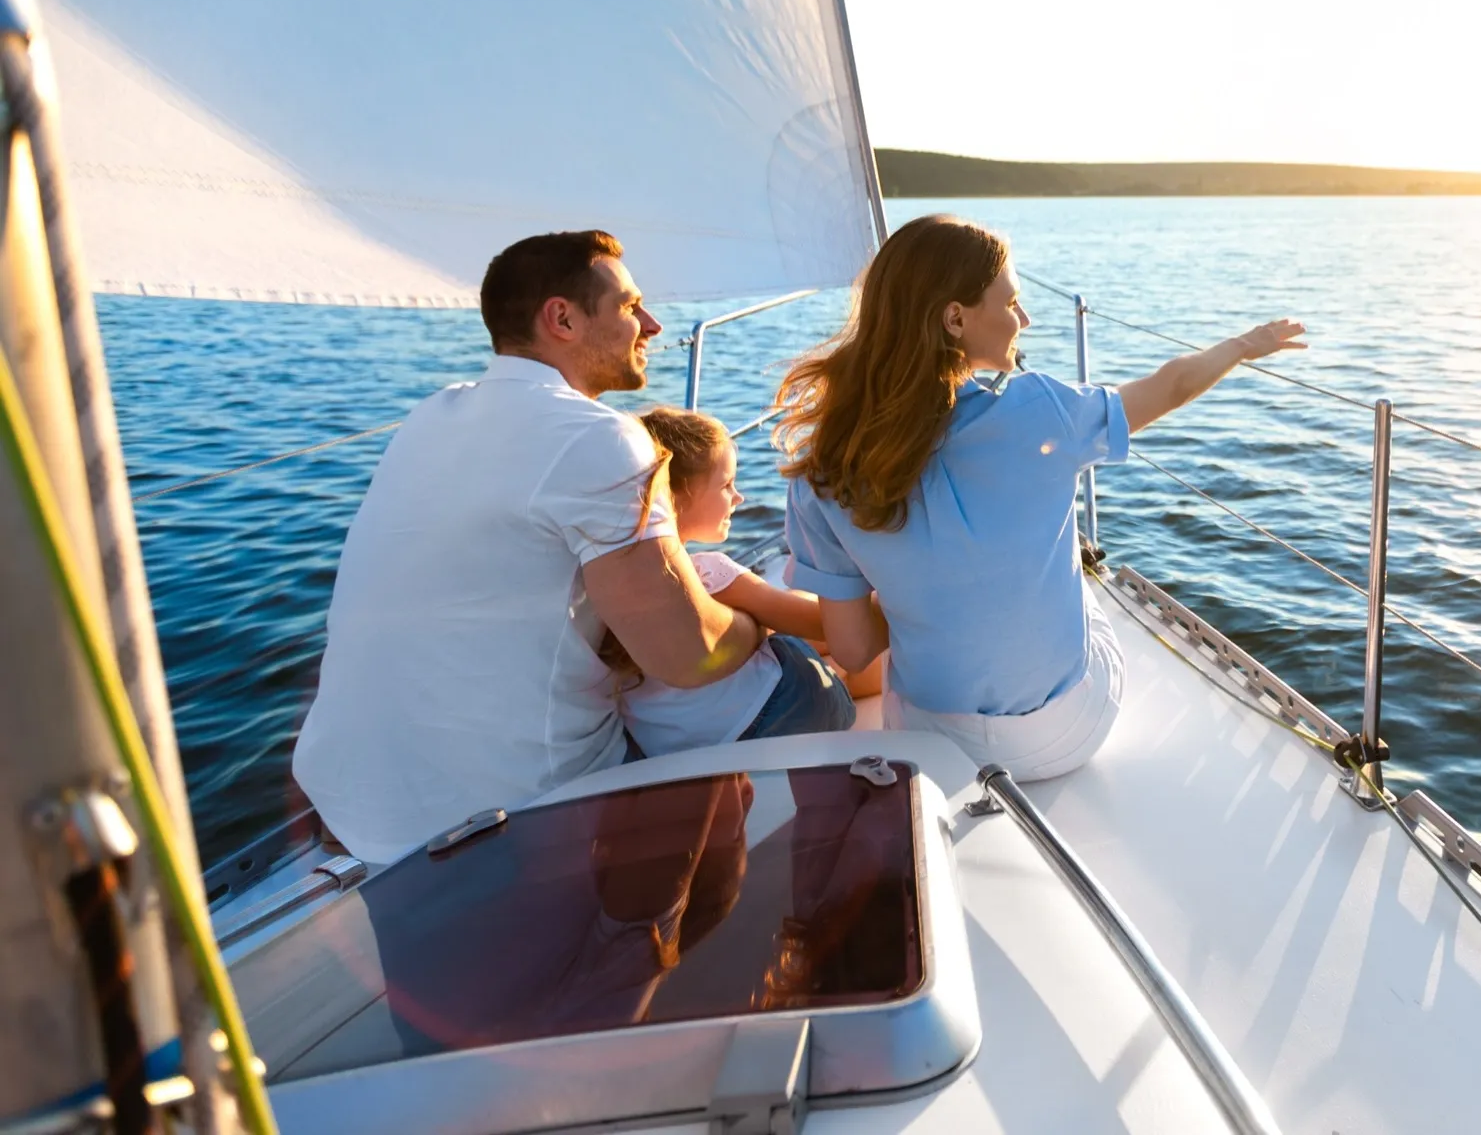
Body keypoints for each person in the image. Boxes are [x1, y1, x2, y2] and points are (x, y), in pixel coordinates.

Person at [294, 231, 769, 863]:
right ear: (562, 318)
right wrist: (760, 625)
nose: (653, 325)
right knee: (802, 691)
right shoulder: (600, 439)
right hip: (511, 811)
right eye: (630, 307)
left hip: (350, 800)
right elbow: (687, 654)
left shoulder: (430, 417)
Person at [775, 214, 1304, 780]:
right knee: (1082, 576)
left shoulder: (822, 472)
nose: (1023, 319)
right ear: (955, 318)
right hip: (1063, 734)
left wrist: (922, 597)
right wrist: (1244, 345)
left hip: (928, 743)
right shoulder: (1043, 410)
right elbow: (1169, 387)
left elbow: (852, 653)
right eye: (1010, 303)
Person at [608, 407, 875, 757]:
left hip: (672, 747)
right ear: (676, 498)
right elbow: (827, 625)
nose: (738, 498)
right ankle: (842, 677)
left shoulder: (608, 584)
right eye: (726, 485)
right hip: (783, 715)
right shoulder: (710, 575)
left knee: (777, 618)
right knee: (819, 651)